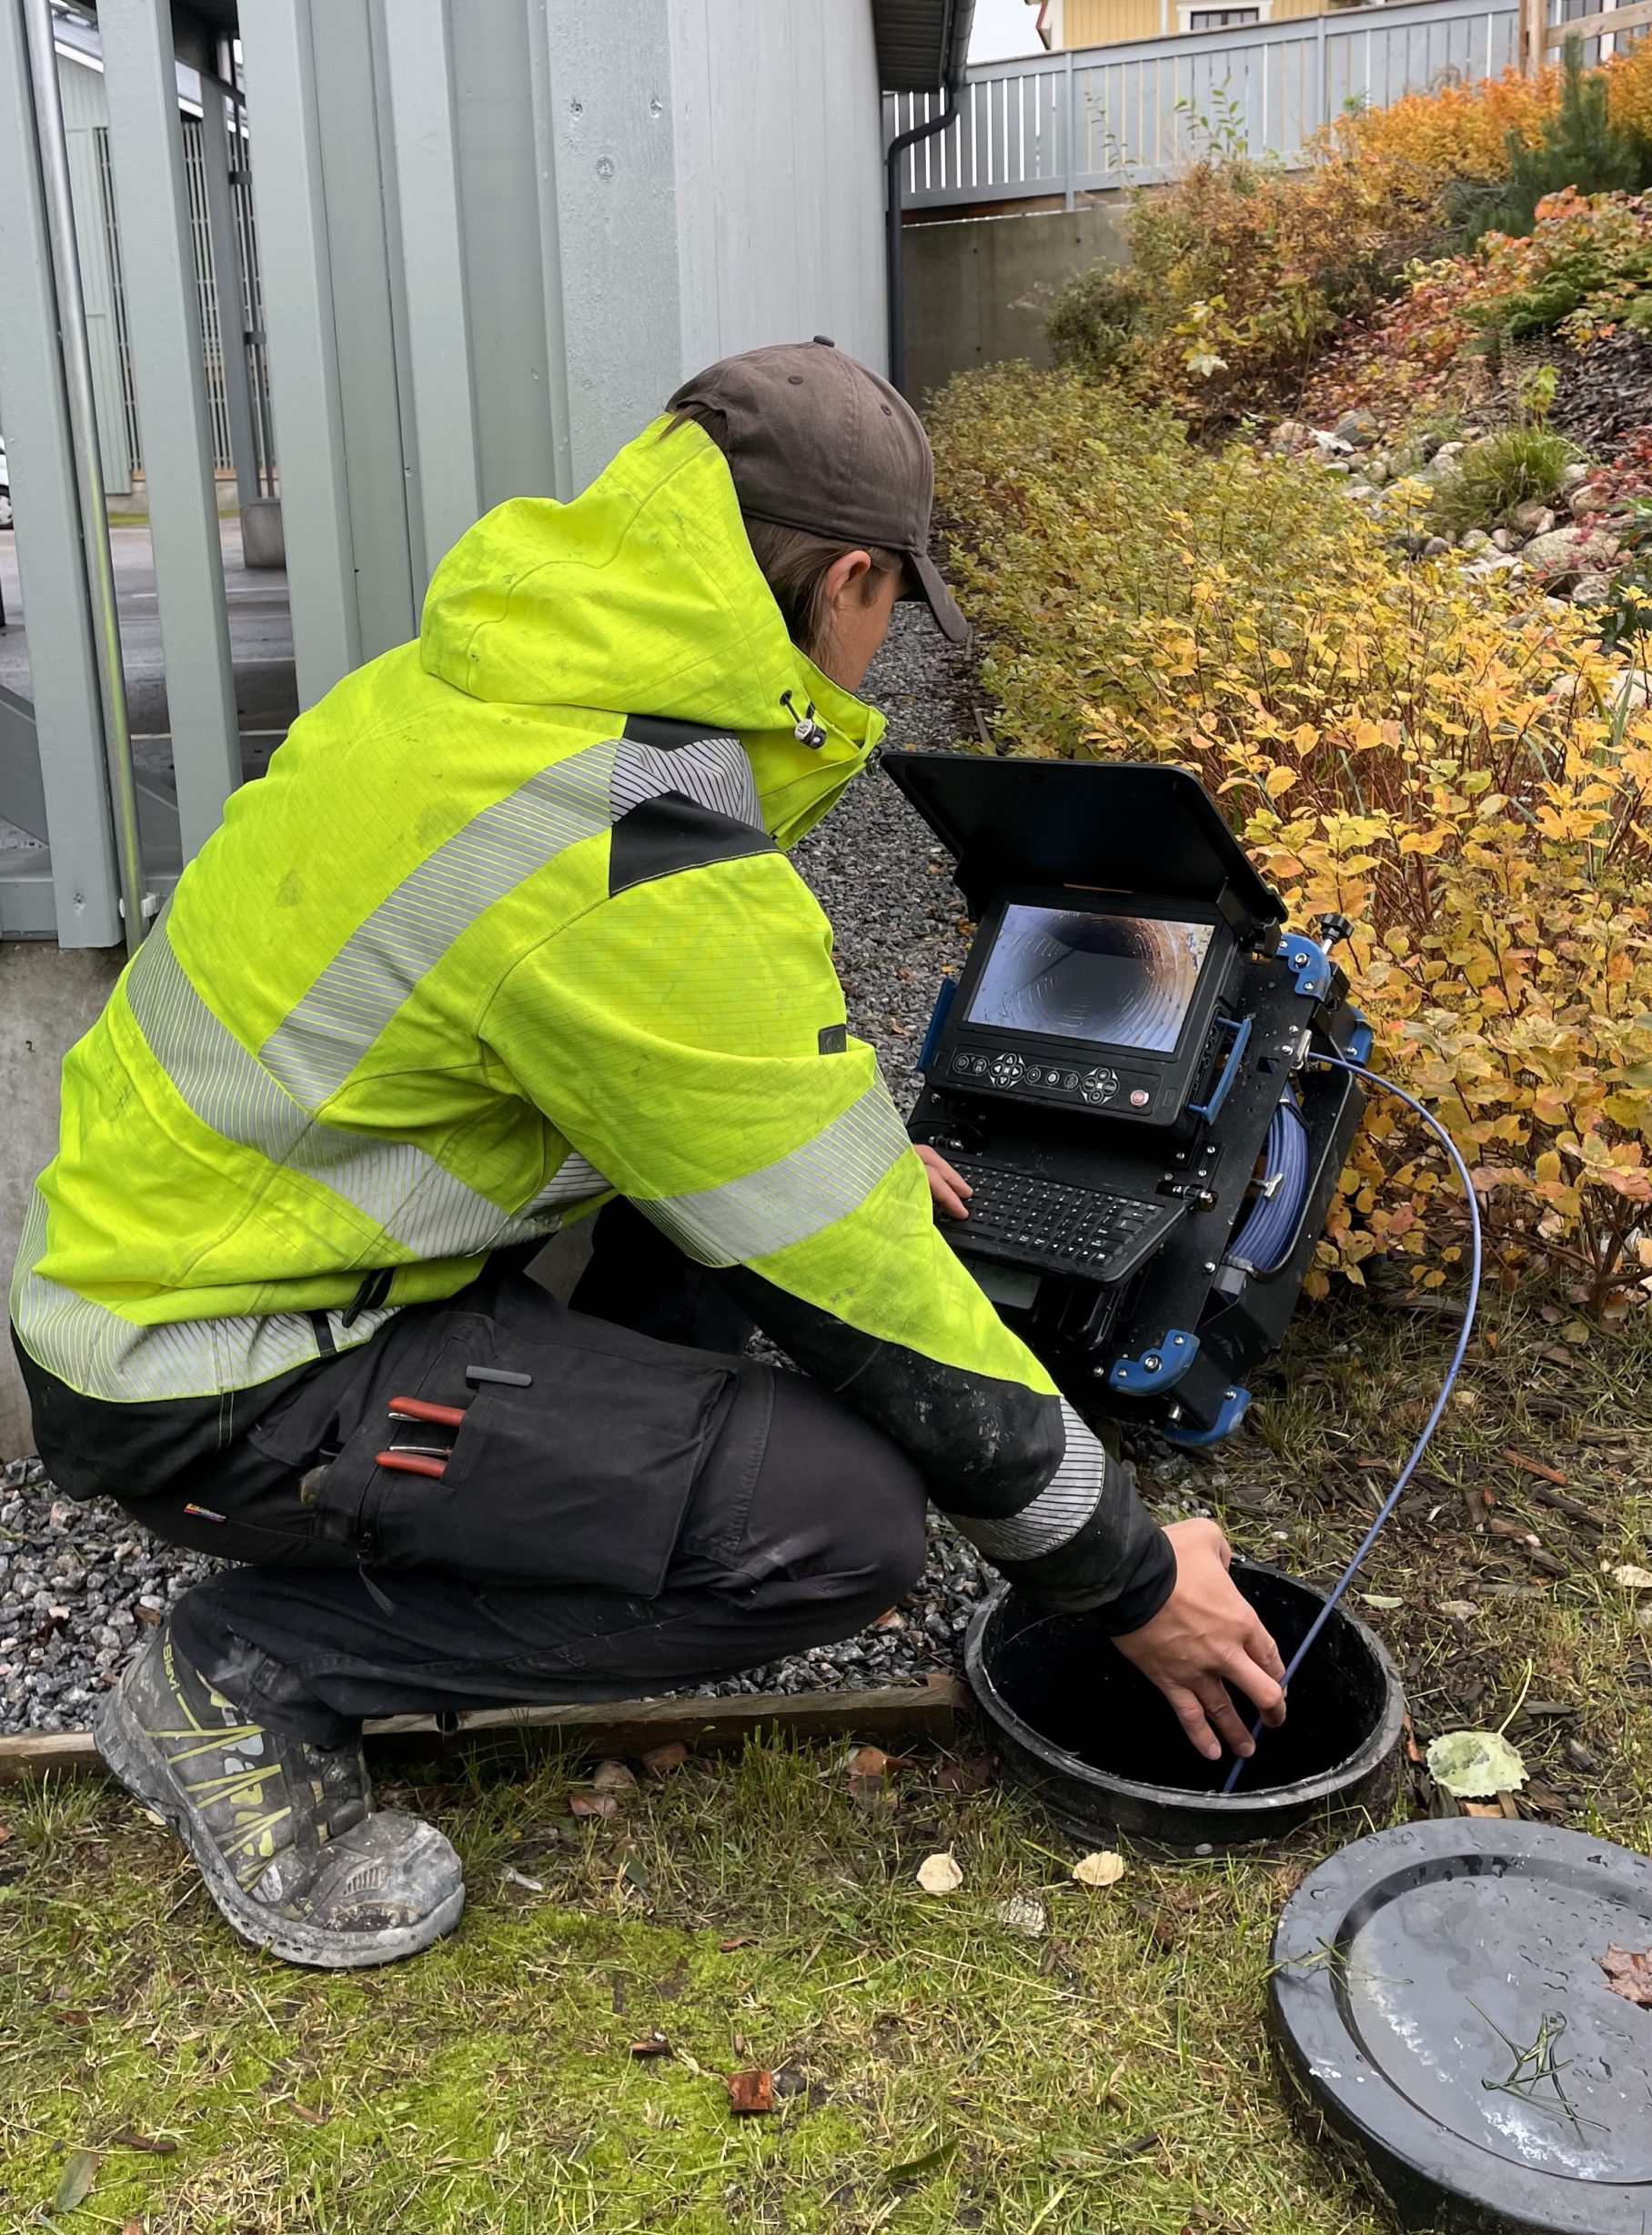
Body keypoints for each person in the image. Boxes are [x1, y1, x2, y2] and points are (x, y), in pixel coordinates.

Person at [8, 342, 1285, 1970]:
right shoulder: (640, 858)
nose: (885, 647)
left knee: (726, 1233)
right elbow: (865, 1298)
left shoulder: (470, 690)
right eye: (894, 608)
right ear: (845, 583)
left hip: (162, 1272)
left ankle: (539, 1485)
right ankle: (250, 1668)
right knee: (839, 1524)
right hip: (212, 1376)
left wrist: (828, 1155)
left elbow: (605, 1052)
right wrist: (1119, 1577)